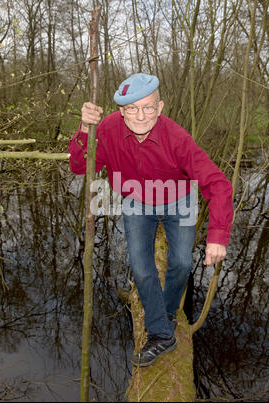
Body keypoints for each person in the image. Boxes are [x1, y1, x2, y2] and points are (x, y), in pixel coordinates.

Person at [68, 73, 234, 367]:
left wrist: (218, 236)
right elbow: (80, 166)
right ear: (121, 111)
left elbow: (218, 184)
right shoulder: (107, 129)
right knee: (142, 270)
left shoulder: (177, 138)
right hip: (136, 201)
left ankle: (167, 311)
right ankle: (162, 334)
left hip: (177, 199)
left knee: (182, 263)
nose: (141, 115)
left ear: (160, 107)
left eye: (148, 107)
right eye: (132, 108)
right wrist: (84, 129)